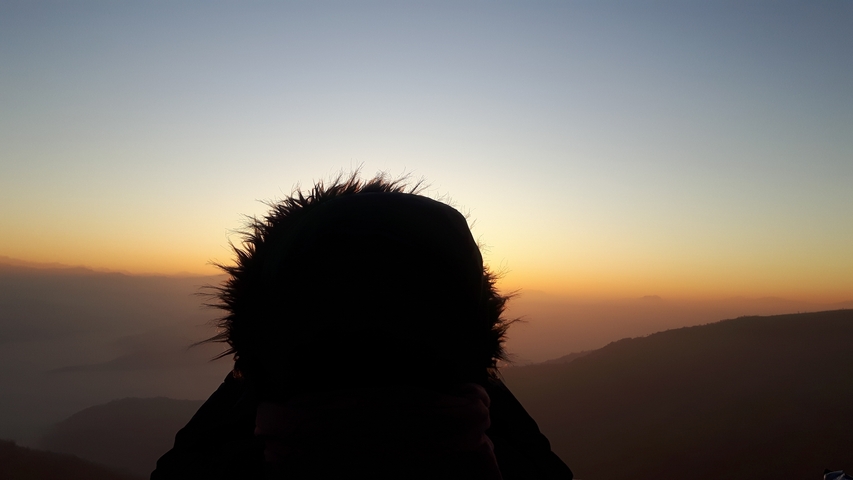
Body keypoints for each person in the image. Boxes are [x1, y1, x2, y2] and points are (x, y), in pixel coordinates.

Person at [152, 174, 572, 479]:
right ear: (475, 329)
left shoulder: (214, 462)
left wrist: (253, 374)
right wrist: (474, 371)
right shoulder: (518, 461)